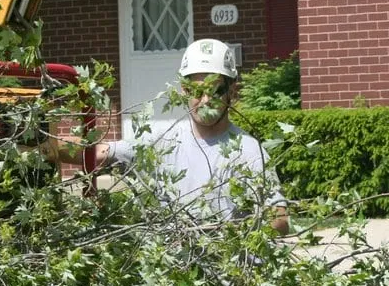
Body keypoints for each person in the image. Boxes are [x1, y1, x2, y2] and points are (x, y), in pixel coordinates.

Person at [47, 38, 289, 234]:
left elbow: (278, 219)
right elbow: (98, 152)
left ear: (231, 92)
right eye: (197, 90)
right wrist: (42, 147)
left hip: (230, 278)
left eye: (216, 90)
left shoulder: (249, 151)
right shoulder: (163, 141)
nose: (205, 100)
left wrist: (229, 237)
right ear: (184, 91)